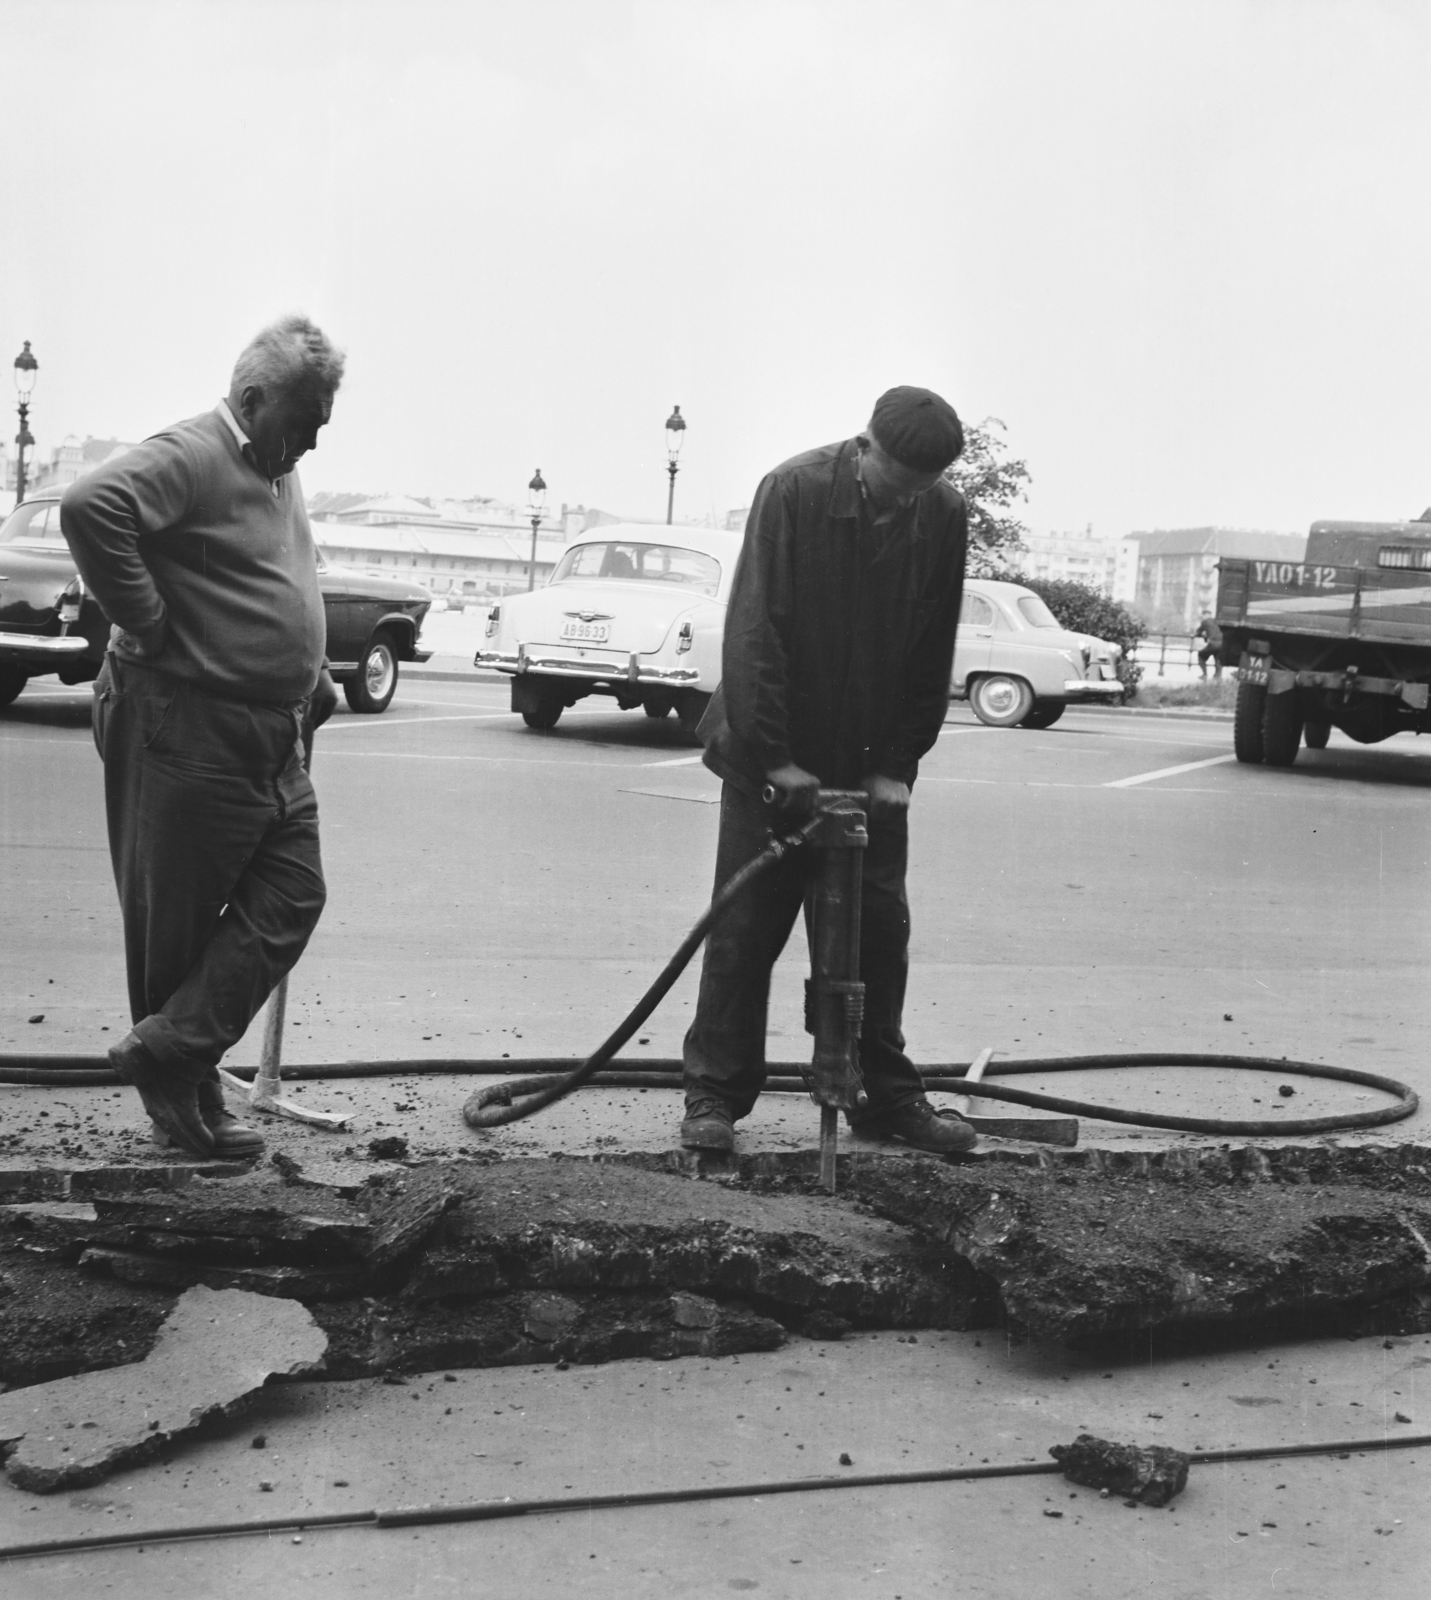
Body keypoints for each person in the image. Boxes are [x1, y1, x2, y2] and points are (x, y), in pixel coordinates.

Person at [61, 316, 345, 1160]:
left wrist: (312, 669)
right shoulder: (193, 453)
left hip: (268, 731)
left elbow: (278, 571)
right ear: (253, 399)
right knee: (175, 927)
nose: (311, 445)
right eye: (303, 423)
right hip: (186, 721)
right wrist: (143, 622)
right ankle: (183, 1107)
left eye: (320, 427)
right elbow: (90, 506)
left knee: (292, 892)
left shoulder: (272, 464)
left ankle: (172, 1052)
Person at [681, 386, 976, 1156]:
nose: (907, 501)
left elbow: (929, 645)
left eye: (922, 490)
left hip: (870, 764)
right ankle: (714, 1096)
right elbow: (755, 629)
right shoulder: (792, 490)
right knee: (746, 931)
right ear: (865, 445)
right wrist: (776, 757)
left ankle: (884, 1097)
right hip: (770, 756)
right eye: (896, 484)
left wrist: (900, 766)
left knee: (878, 935)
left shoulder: (940, 513)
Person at [1194, 614, 1223, 679]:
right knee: (1218, 659)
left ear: (1204, 615)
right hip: (1222, 644)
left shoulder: (1205, 622)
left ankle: (1204, 674)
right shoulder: (1218, 621)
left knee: (1201, 655)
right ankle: (1218, 676)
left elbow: (1198, 632)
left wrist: (1202, 636)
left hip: (1213, 644)